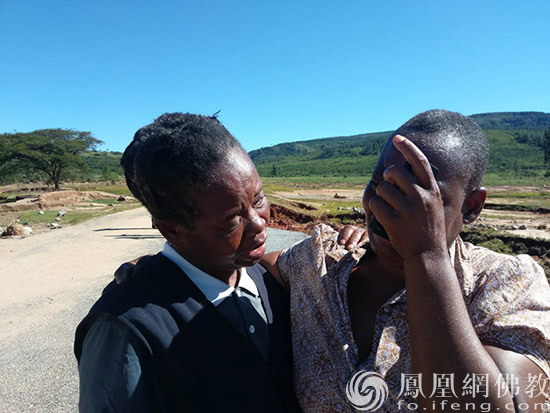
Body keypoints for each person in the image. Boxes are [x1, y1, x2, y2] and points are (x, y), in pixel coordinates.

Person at [260, 110, 550, 412]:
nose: (385, 210)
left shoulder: (504, 283)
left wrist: (426, 255)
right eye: (380, 187)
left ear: (471, 206)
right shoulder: (322, 261)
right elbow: (255, 269)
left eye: (418, 198)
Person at [74, 112, 363, 412]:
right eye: (232, 220)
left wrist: (368, 240)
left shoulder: (270, 280)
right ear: (172, 230)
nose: (259, 223)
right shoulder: (126, 330)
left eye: (259, 199)